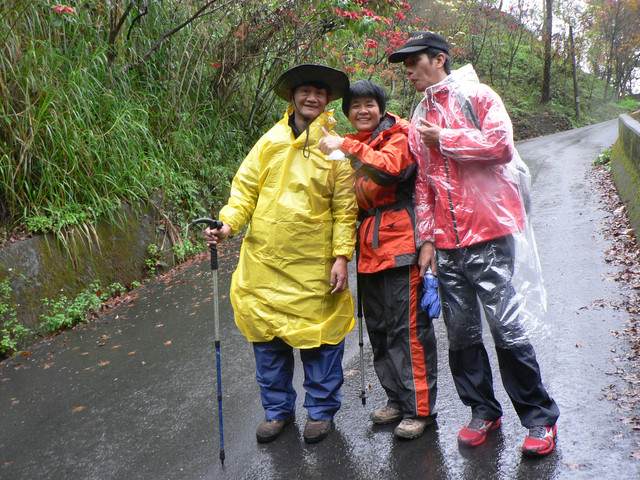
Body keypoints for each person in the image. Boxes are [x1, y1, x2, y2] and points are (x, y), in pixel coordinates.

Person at [389, 31, 560, 456]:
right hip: (446, 245)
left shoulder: (478, 96)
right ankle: (483, 410)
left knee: (506, 328)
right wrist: (426, 239)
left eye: (414, 62)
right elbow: (424, 185)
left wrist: (445, 139)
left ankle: (539, 419)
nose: (408, 71)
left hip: (489, 234)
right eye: (404, 64)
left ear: (439, 59)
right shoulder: (420, 114)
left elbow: (501, 146)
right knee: (461, 333)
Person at [204, 64, 358, 445]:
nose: (312, 98)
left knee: (320, 341)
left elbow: (345, 208)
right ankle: (277, 412)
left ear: (327, 100)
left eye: (319, 93)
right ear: (292, 97)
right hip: (264, 265)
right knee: (268, 342)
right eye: (305, 91)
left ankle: (320, 412)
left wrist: (342, 256)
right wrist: (226, 225)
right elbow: (244, 191)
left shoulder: (335, 151)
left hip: (314, 266)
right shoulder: (269, 142)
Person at [318, 80, 437, 440]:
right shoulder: (356, 146)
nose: (363, 111)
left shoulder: (398, 135)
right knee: (381, 330)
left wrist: (346, 146)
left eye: (369, 104)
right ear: (348, 113)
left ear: (381, 108)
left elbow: (390, 171)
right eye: (355, 106)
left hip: (401, 245)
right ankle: (396, 399)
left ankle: (418, 409)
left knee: (408, 331)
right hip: (369, 250)